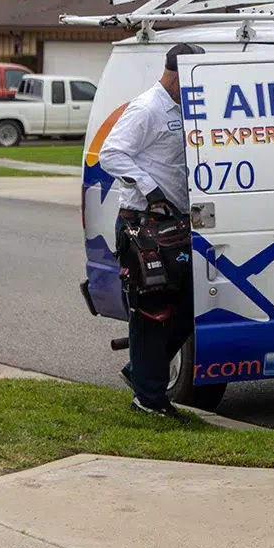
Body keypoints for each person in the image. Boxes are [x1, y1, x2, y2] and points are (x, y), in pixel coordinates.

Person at [99, 43, 204, 420]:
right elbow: (110, 154)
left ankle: (142, 373)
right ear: (175, 75)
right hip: (143, 223)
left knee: (188, 307)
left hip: (174, 225)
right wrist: (151, 189)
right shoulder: (147, 108)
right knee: (151, 311)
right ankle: (149, 398)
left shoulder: (183, 109)